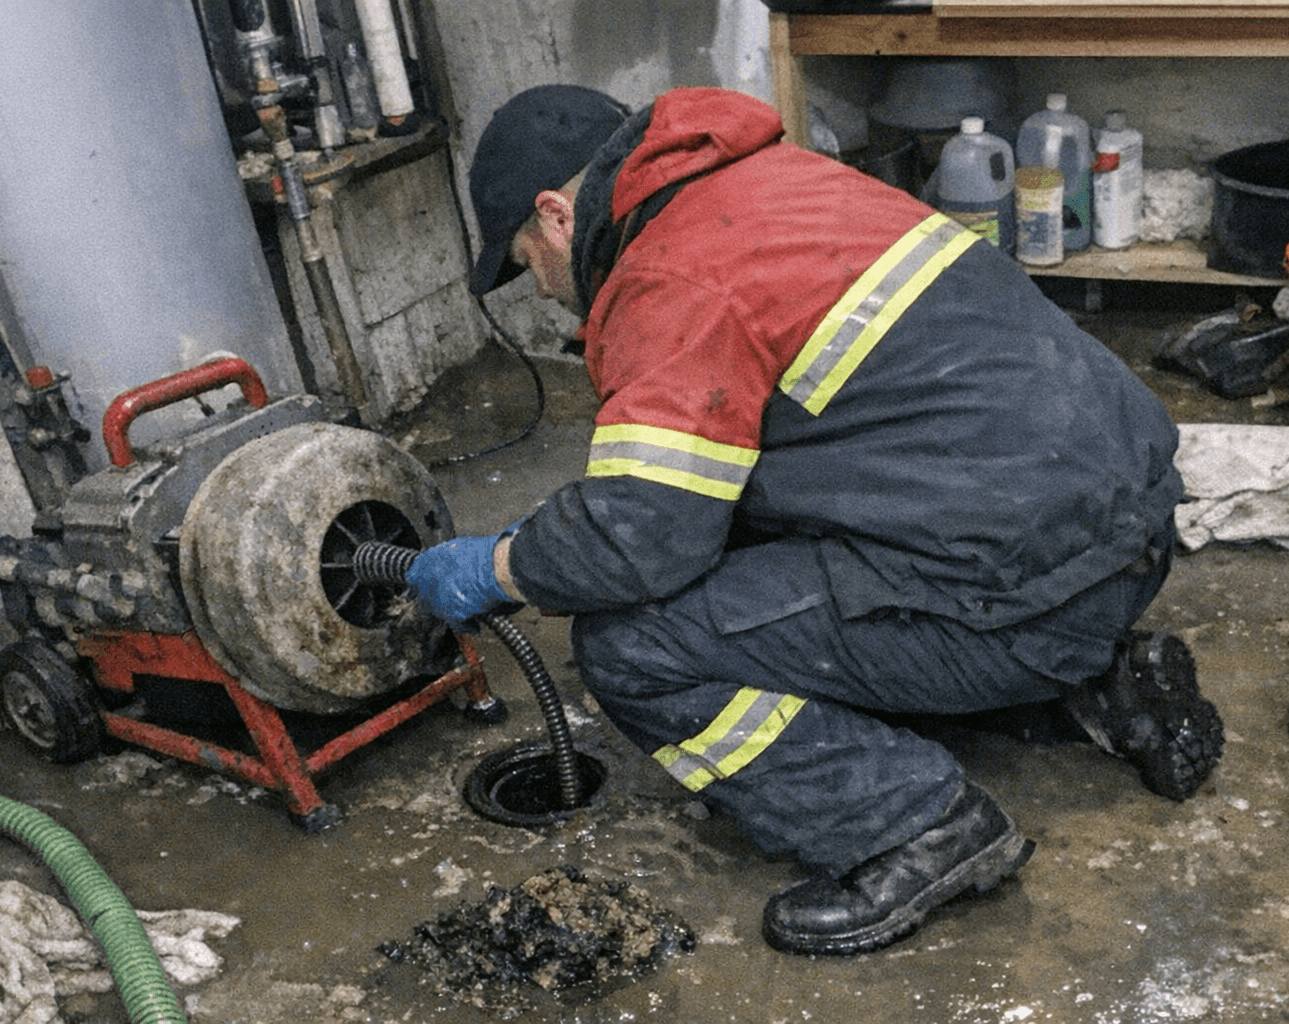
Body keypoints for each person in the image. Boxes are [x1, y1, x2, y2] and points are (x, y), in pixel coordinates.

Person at [406, 83, 1224, 957]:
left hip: (1027, 594)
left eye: (526, 261)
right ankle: (1093, 690)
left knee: (632, 648)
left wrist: (500, 566)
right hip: (1126, 533)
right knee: (758, 545)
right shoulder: (773, 181)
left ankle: (915, 825)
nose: (537, 288)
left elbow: (640, 542)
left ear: (557, 215)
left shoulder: (671, 275)